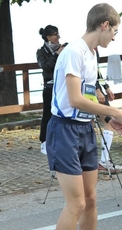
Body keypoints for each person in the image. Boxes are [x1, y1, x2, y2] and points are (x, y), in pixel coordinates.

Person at [47, 4, 122, 230]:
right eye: (115, 32)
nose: (114, 38)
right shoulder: (74, 51)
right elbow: (74, 99)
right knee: (75, 204)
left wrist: (107, 117)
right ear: (104, 25)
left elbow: (87, 97)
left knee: (91, 198)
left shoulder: (91, 52)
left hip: (85, 129)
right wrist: (115, 110)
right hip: (63, 130)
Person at [36, 25, 67, 155]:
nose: (58, 36)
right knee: (48, 115)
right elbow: (46, 67)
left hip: (62, 86)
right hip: (49, 86)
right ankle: (44, 141)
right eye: (55, 34)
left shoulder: (64, 49)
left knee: (62, 113)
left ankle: (60, 140)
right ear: (48, 37)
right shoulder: (41, 52)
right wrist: (56, 54)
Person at [94, 48, 122, 173]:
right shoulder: (86, 48)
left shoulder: (94, 49)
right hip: (89, 93)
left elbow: (97, 71)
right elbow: (87, 73)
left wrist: (106, 87)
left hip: (96, 89)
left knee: (108, 122)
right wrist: (97, 90)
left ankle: (104, 160)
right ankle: (99, 161)